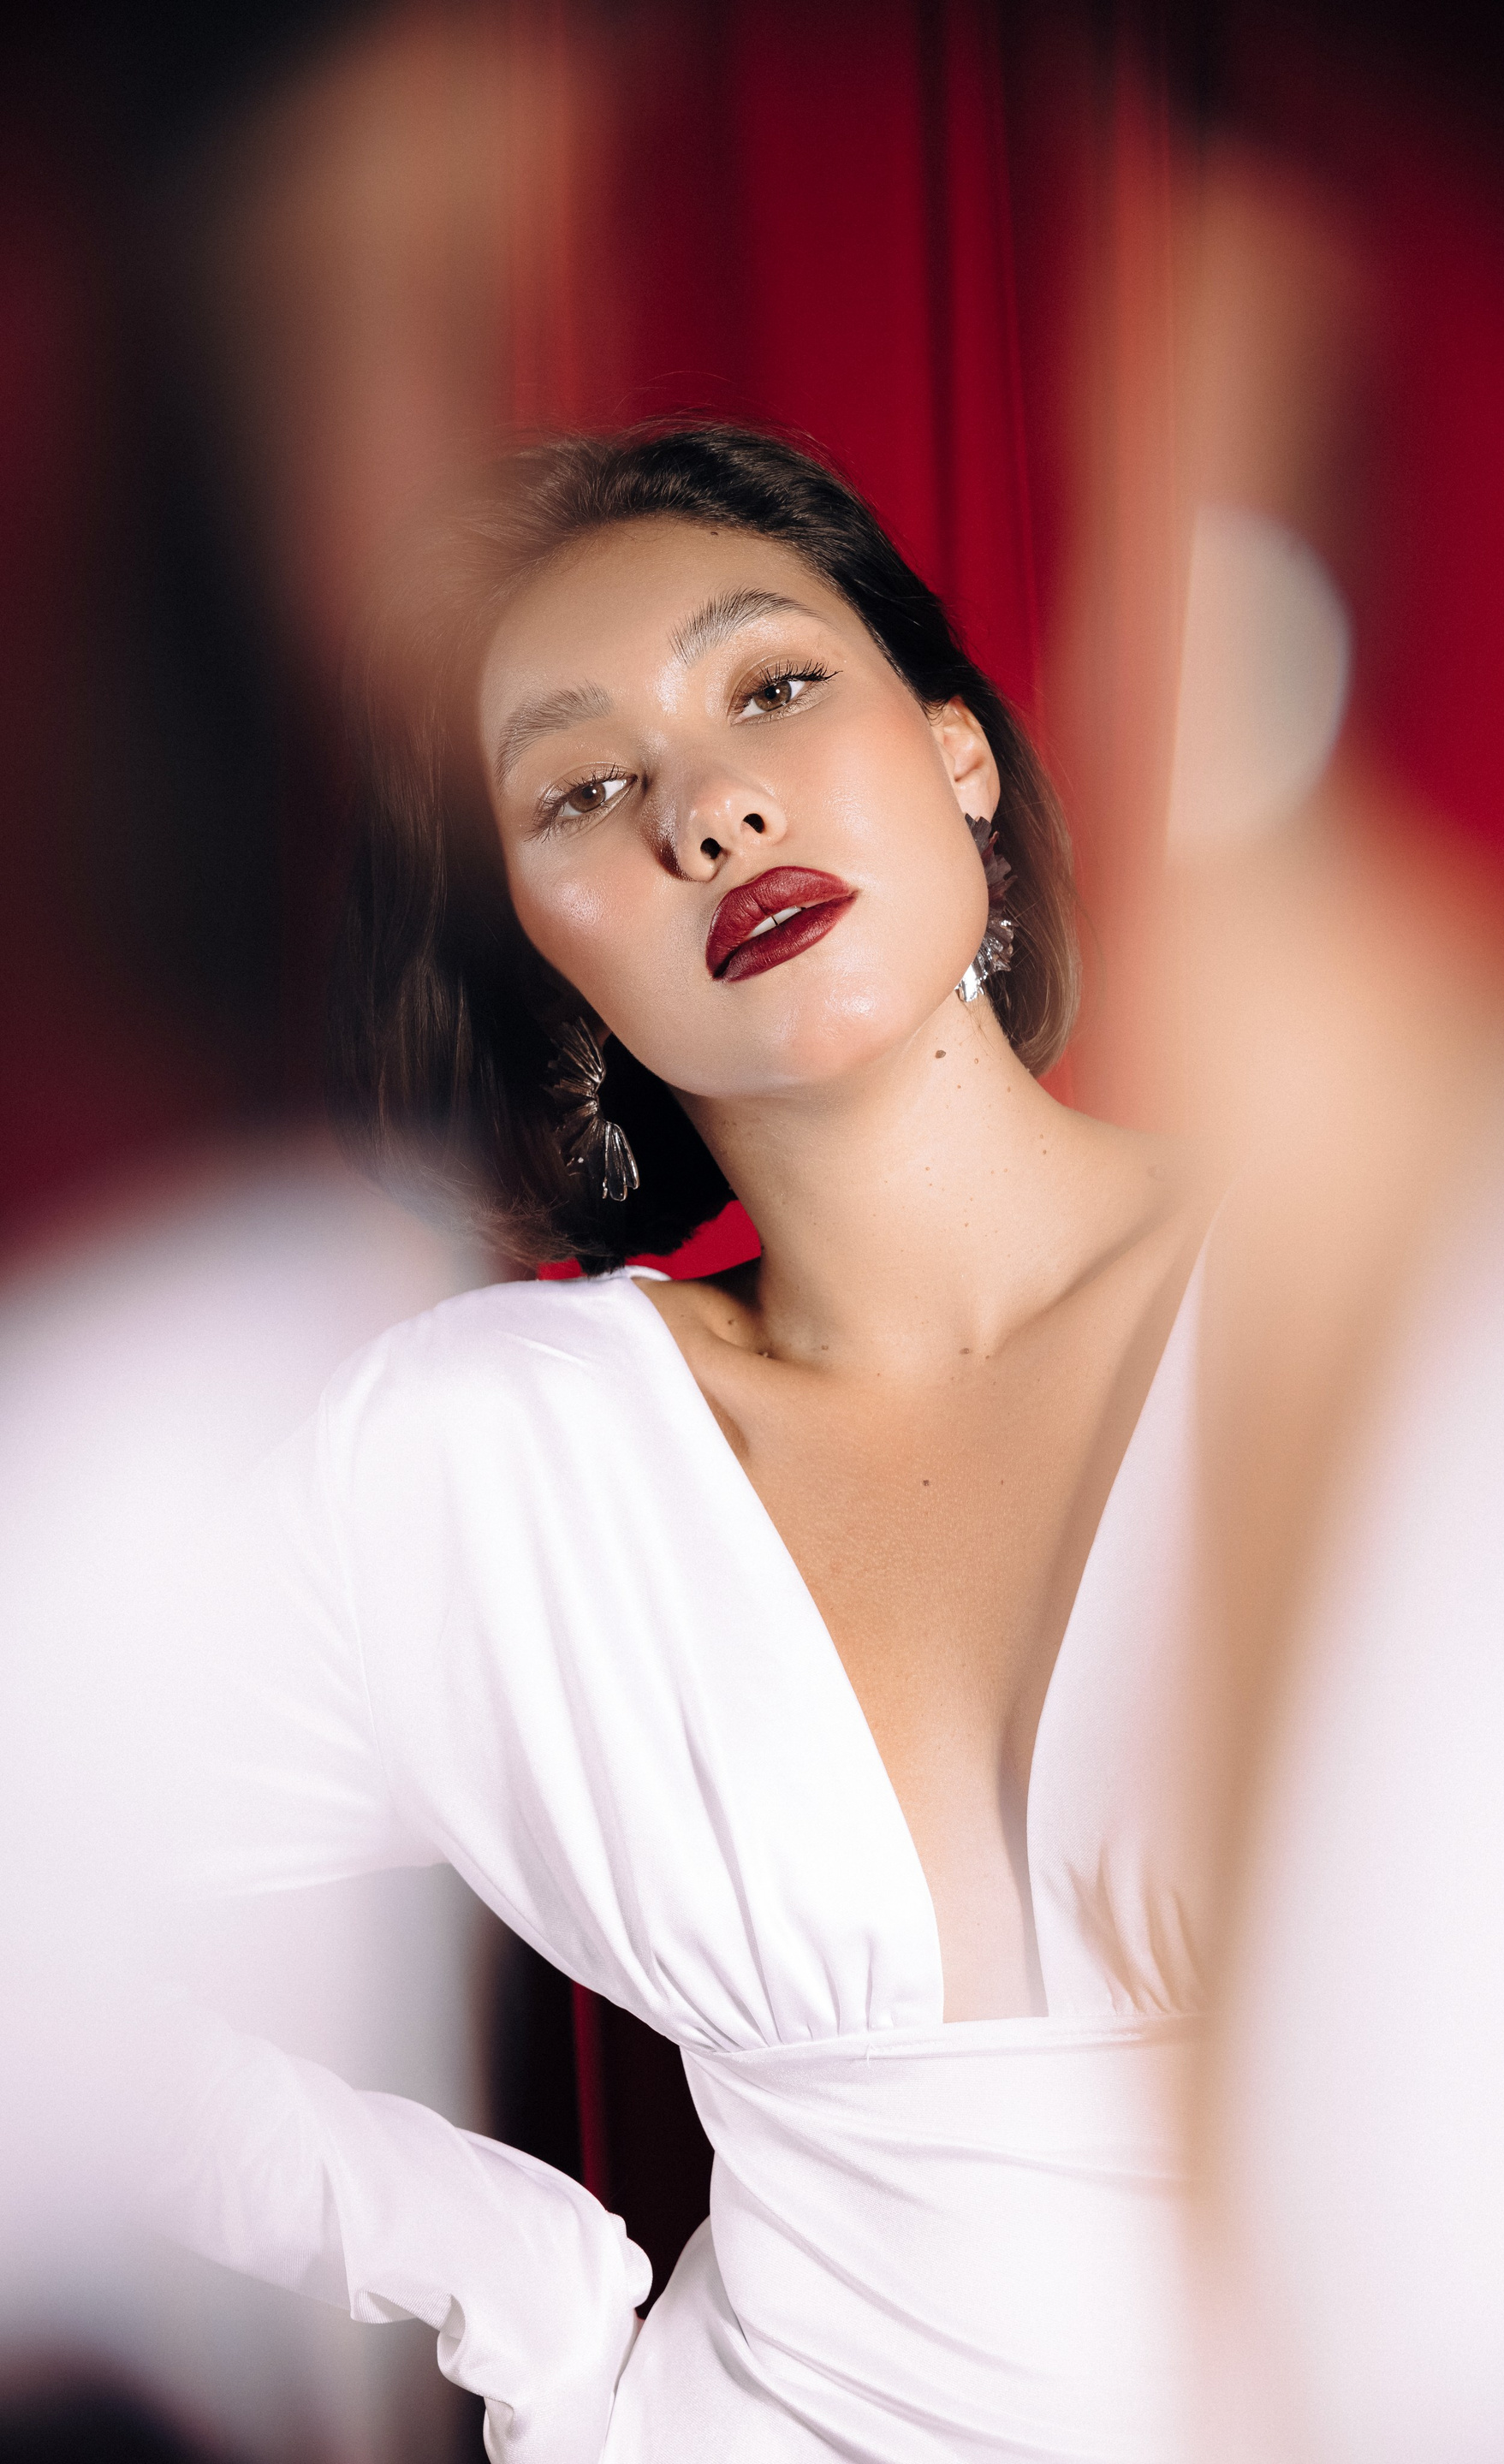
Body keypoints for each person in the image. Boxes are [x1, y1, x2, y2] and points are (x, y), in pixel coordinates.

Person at [152, 425, 1216, 2464]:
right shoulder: (487, 1462)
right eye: (583, 790)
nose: (709, 809)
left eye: (775, 687)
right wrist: (493, 2272)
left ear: (959, 749)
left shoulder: (1404, 1277)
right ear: (532, 935)